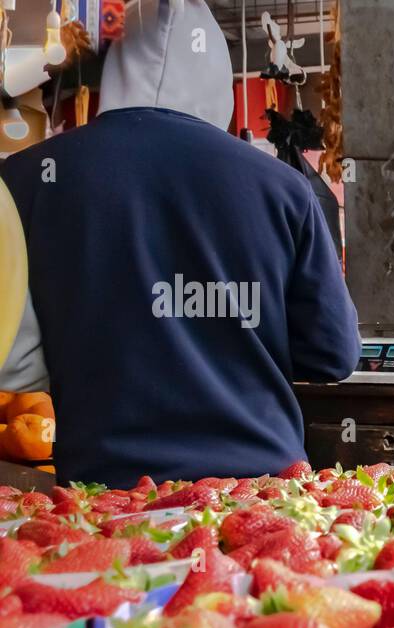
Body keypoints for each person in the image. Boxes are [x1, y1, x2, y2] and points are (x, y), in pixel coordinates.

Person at [0, 0, 360, 488]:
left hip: (102, 496)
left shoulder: (24, 179)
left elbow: (12, 361)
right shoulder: (282, 188)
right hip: (260, 496)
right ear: (217, 78)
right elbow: (333, 354)